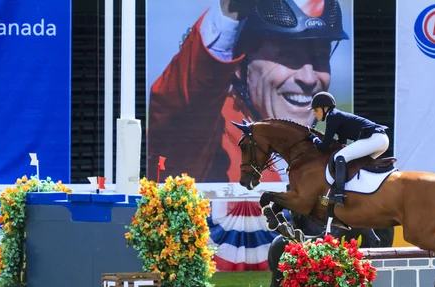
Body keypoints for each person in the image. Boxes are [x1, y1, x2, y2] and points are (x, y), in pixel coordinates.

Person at [147, 0, 350, 183]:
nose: (309, 78)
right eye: (289, 56)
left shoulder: (331, 153)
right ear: (239, 64)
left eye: (321, 57)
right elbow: (179, 110)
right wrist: (230, 11)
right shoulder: (208, 138)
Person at [308, 91, 390, 207]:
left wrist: (313, 138)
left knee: (339, 157)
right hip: (381, 140)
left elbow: (324, 147)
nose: (314, 114)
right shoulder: (336, 117)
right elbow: (342, 143)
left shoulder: (332, 116)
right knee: (354, 163)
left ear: (325, 108)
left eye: (316, 110)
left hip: (375, 139)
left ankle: (339, 194)